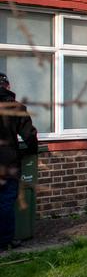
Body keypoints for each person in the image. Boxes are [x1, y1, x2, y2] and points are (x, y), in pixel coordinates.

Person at [0, 72, 38, 251]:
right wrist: (31, 151)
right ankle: (5, 240)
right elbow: (29, 135)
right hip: (8, 162)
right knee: (6, 200)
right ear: (7, 86)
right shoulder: (16, 107)